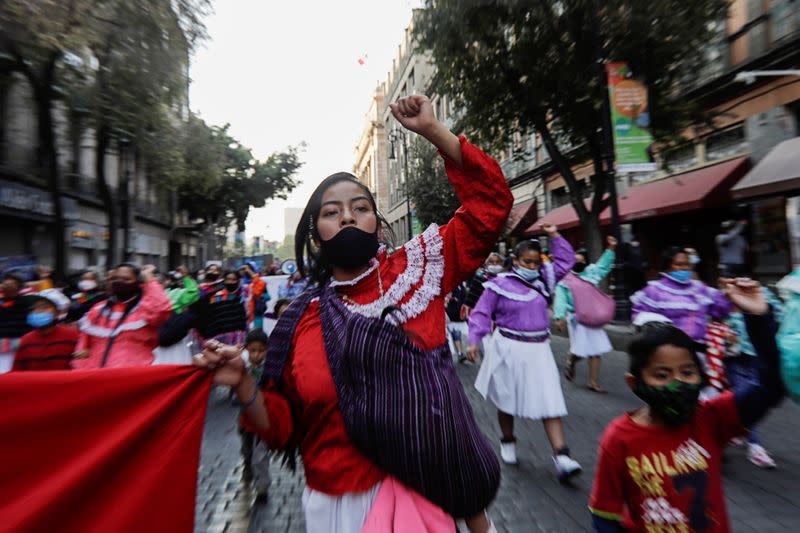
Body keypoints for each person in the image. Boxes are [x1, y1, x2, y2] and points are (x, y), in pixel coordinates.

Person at [193, 94, 512, 533]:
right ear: (316, 233)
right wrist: (244, 382)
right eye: (332, 211)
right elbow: (283, 427)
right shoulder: (299, 320)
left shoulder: (420, 269)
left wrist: (433, 132)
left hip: (426, 495)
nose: (347, 216)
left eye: (360, 207)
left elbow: (490, 204)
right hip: (336, 507)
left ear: (377, 224)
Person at [589, 278, 784, 533]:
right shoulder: (619, 439)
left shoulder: (712, 418)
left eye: (687, 372)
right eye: (662, 375)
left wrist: (758, 317)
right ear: (634, 383)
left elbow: (771, 387)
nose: (678, 382)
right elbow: (605, 517)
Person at [467, 228, 583, 481]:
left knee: (550, 400)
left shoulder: (545, 280)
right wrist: (474, 340)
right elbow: (481, 313)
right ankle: (508, 440)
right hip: (507, 347)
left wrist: (555, 237)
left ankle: (562, 456)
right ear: (516, 261)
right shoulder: (498, 285)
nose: (531, 266)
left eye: (535, 261)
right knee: (506, 400)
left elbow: (567, 261)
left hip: (539, 349)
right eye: (526, 261)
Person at [723, 282, 782, 468]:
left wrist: (759, 313)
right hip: (734, 360)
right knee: (744, 394)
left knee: (756, 393)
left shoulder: (762, 298)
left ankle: (743, 439)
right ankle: (751, 444)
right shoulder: (720, 306)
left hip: (755, 359)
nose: (729, 286)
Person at [72, 263, 172, 369]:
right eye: (115, 278)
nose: (119, 282)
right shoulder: (98, 309)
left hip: (131, 377)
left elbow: (161, 310)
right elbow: (83, 344)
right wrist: (81, 364)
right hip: (97, 377)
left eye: (126, 279)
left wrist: (150, 280)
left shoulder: (144, 310)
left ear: (138, 283)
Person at [555, 236, 617, 392]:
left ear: (586, 263)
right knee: (580, 351)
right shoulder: (565, 280)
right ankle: (572, 361)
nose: (578, 263)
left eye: (581, 261)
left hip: (593, 317)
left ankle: (593, 382)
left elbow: (603, 265)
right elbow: (560, 299)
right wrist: (559, 316)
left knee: (596, 351)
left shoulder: (591, 272)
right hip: (576, 319)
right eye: (575, 261)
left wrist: (610, 248)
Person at [630, 247, 731, 342]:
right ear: (668, 267)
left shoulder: (699, 288)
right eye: (678, 264)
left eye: (686, 264)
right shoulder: (654, 290)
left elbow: (720, 311)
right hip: (670, 352)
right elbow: (642, 319)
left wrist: (726, 293)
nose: (684, 268)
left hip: (700, 349)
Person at [238, 329, 270, 502]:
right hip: (245, 416)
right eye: (252, 350)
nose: (256, 355)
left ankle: (262, 486)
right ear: (246, 349)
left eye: (261, 350)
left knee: (261, 453)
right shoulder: (241, 365)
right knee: (247, 449)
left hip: (263, 417)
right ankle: (247, 467)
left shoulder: (271, 366)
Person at [12, 289, 77, 371]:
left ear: (58, 313)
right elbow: (17, 372)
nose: (37, 311)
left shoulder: (73, 336)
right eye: (33, 309)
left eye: (44, 307)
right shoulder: (26, 340)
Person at [153, 266, 200, 365]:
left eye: (158, 283)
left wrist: (186, 277)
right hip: (153, 343)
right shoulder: (142, 298)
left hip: (175, 340)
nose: (155, 286)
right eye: (152, 284)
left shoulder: (175, 294)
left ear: (165, 283)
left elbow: (193, 293)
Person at [193, 270, 248, 347]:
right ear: (224, 280)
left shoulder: (242, 297)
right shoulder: (215, 297)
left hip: (238, 339)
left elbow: (244, 319)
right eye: (228, 279)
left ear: (238, 281)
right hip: (218, 339)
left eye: (233, 280)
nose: (230, 282)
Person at [0, 273, 32, 373]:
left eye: (12, 284)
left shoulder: (27, 303)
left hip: (19, 344)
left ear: (19, 287)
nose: (8, 286)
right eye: (5, 284)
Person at [461, 252, 505, 318]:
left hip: (501, 314)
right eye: (491, 261)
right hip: (482, 313)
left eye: (497, 262)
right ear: (486, 263)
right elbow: (471, 297)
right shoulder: (480, 276)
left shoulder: (505, 277)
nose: (494, 264)